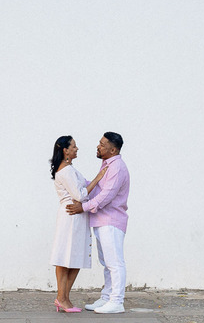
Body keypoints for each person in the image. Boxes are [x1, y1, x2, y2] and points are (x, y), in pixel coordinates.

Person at [66, 132, 129, 314]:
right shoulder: (107, 165)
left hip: (111, 220)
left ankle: (117, 301)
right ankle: (107, 297)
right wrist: (72, 174)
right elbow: (97, 189)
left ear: (113, 149)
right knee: (106, 262)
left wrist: (83, 207)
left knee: (114, 262)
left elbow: (105, 196)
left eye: (102, 145)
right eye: (99, 143)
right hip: (102, 220)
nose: (98, 146)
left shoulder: (116, 167)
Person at [49, 136, 108, 313]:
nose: (77, 149)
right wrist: (98, 178)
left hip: (77, 216)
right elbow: (80, 195)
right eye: (74, 146)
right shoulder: (66, 170)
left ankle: (64, 298)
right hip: (71, 217)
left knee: (74, 257)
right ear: (65, 150)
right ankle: (62, 298)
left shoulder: (70, 169)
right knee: (65, 257)